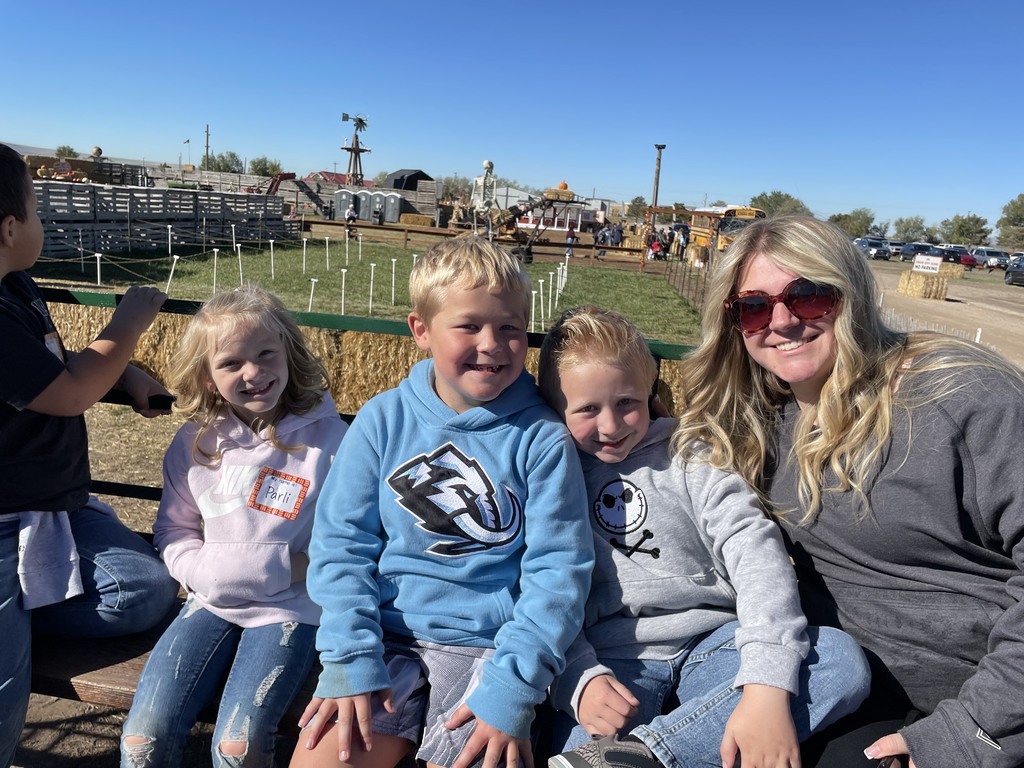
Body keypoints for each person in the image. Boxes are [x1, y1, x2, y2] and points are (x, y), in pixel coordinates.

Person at [674, 213, 1024, 768]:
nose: (782, 322)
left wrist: (972, 733)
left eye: (810, 297)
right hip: (826, 679)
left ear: (852, 294)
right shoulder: (756, 413)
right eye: (754, 307)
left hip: (957, 708)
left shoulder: (961, 394)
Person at [291, 237, 594, 768]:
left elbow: (558, 572)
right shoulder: (383, 421)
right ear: (420, 331)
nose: (493, 343)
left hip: (493, 650)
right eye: (469, 325)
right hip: (385, 639)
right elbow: (341, 545)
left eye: (510, 328)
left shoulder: (540, 437)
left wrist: (514, 688)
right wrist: (348, 656)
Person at [537, 305, 870, 768]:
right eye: (588, 410)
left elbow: (752, 549)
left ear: (650, 393)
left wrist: (767, 683)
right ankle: (675, 749)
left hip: (715, 641)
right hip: (610, 660)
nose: (611, 426)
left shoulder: (691, 455)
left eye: (627, 403)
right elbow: (538, 592)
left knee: (839, 660)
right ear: (555, 410)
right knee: (575, 742)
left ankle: (649, 756)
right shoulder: (550, 476)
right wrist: (577, 678)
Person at [0, 142, 179, 768]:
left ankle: (26, 604)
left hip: (52, 505)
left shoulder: (15, 286)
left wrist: (124, 374)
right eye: (37, 208)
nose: (44, 222)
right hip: (6, 521)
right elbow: (71, 391)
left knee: (142, 589)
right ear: (9, 228)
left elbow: (53, 370)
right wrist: (128, 324)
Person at [121, 285, 347, 767]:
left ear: (289, 351)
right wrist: (207, 575)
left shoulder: (333, 442)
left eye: (266, 353)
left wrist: (292, 568)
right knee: (142, 741)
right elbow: (173, 532)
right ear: (205, 377)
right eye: (230, 364)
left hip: (290, 610)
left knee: (236, 747)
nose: (254, 373)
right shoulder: (194, 444)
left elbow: (349, 537)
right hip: (209, 602)